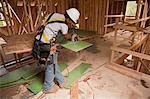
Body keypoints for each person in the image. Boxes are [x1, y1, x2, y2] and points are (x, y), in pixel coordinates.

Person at [35, 8, 80, 94]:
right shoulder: (64, 25)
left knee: (54, 63)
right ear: (69, 19)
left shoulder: (54, 15)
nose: (71, 24)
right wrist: (73, 36)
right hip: (45, 44)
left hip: (38, 39)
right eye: (71, 22)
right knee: (50, 66)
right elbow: (66, 36)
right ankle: (47, 87)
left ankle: (61, 81)